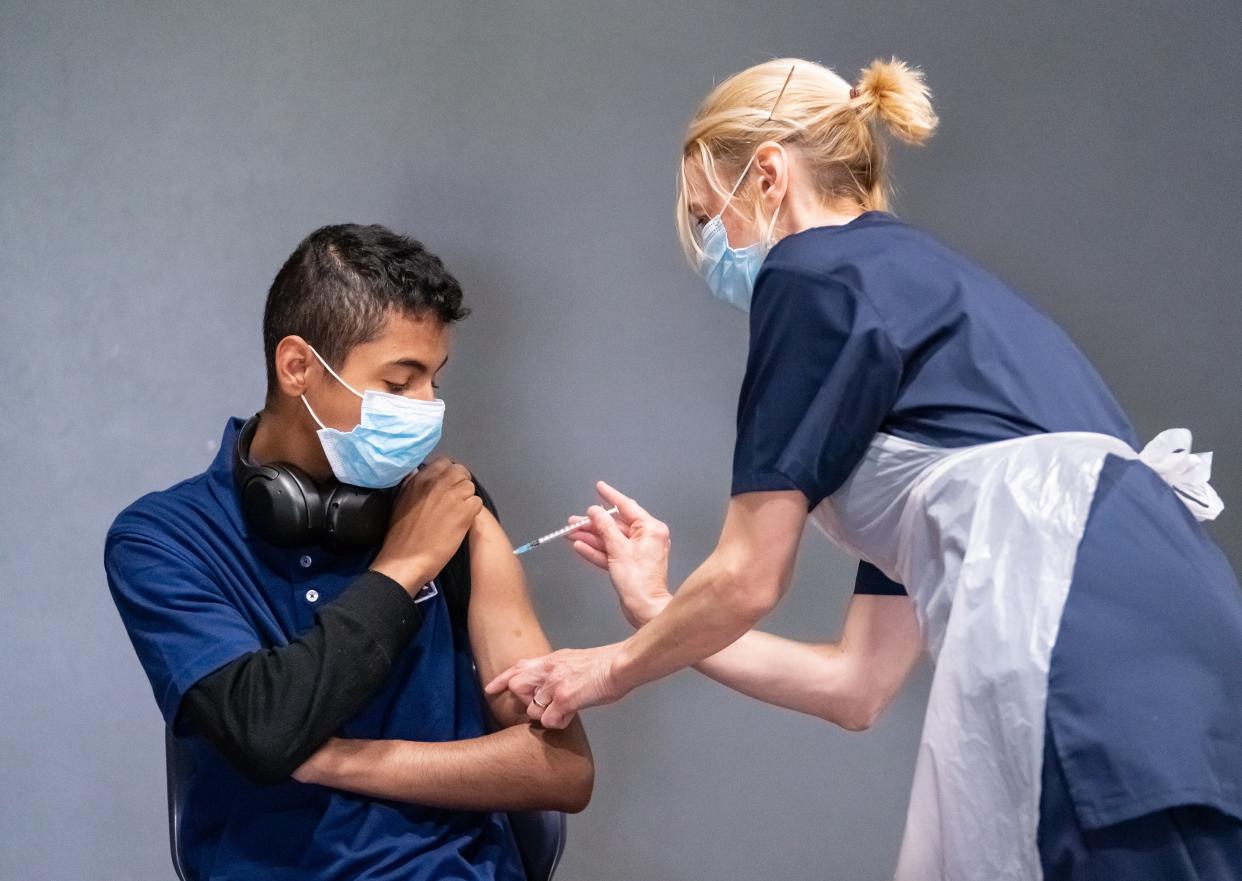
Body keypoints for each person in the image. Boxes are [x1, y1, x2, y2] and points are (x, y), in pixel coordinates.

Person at [485, 58, 1242, 879]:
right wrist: (659, 610)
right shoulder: (931, 307)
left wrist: (603, 668)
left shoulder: (812, 276)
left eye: (710, 218)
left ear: (769, 175)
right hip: (1179, 634)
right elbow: (857, 684)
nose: (713, 251)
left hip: (1072, 635)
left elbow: (747, 575)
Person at [105, 224, 593, 881]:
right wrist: (403, 567)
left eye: (434, 382)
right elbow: (267, 730)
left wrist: (340, 759)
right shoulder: (164, 537)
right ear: (298, 366)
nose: (427, 410)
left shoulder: (451, 505)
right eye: (399, 383)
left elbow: (560, 766)